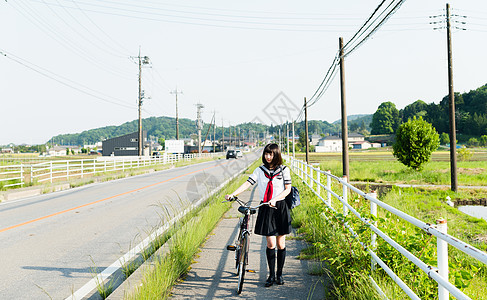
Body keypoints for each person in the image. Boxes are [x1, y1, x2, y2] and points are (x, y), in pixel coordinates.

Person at [226, 143, 292, 287]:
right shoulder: (260, 170)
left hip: (280, 207)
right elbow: (247, 184)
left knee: (281, 244)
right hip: (266, 207)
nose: (268, 157)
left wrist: (275, 199)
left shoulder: (284, 170)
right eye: (266, 154)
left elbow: (287, 189)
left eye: (271, 154)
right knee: (270, 243)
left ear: (276, 155)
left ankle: (280, 274)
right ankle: (271, 275)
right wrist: (233, 194)